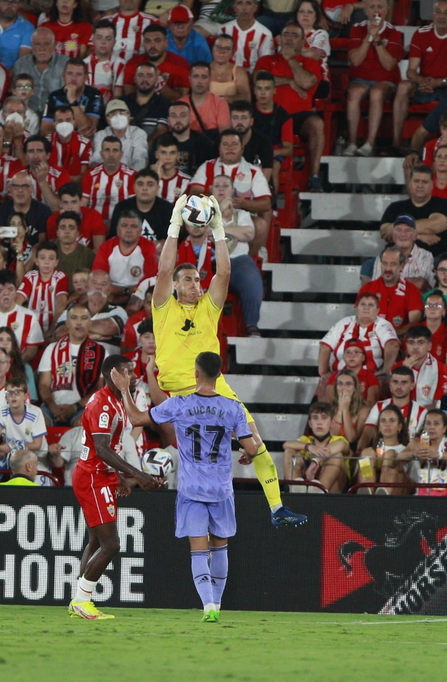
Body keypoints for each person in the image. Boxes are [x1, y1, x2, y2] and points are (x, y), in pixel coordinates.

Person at [151, 194, 305, 526]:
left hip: (215, 386)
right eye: (188, 280)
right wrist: (176, 223)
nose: (196, 284)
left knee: (255, 442)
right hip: (181, 389)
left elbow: (224, 272)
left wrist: (219, 227)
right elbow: (164, 268)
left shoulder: (208, 307)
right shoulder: (164, 306)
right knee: (200, 458)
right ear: (175, 286)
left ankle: (277, 509)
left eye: (197, 279)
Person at [123, 350, 258, 621]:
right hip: (221, 488)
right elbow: (253, 447)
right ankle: (217, 604)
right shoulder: (232, 407)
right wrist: (247, 453)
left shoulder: (180, 404)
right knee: (220, 547)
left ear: (196, 373)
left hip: (192, 489)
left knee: (199, 550)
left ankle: (208, 605)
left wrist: (125, 390)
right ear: (220, 374)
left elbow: (136, 418)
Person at [67, 354, 162, 620]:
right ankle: (82, 599)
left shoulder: (116, 400)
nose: (132, 376)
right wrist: (136, 475)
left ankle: (79, 600)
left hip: (101, 475)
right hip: (93, 478)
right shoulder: (103, 404)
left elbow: (108, 448)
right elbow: (101, 448)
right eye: (127, 372)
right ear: (112, 374)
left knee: (97, 541)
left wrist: (119, 478)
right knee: (112, 544)